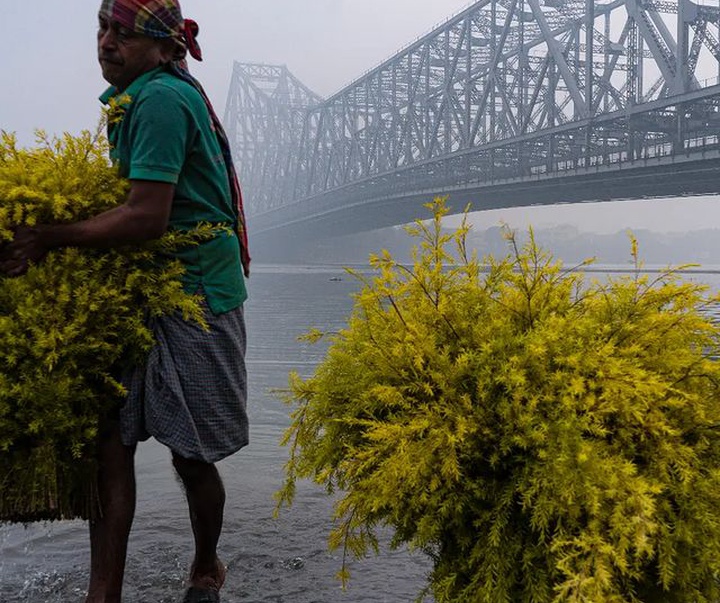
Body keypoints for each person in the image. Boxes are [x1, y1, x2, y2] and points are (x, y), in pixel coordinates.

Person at [0, 1, 251, 602]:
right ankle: (103, 593)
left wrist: (48, 237)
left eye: (124, 33)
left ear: (166, 49)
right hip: (143, 287)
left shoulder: (162, 99)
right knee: (109, 439)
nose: (107, 43)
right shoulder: (135, 99)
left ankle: (206, 565)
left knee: (190, 455)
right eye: (102, 29)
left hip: (194, 293)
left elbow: (145, 216)